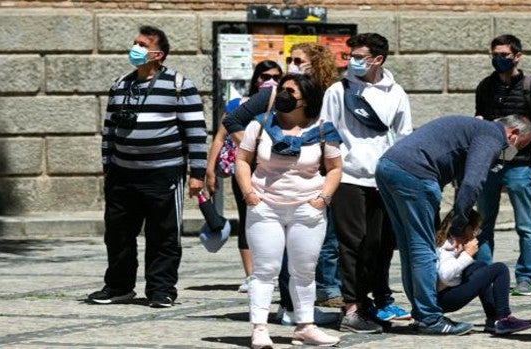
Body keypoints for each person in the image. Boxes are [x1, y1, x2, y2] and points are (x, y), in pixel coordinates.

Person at [375, 115, 531, 335]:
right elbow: (472, 182)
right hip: (415, 172)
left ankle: (423, 313)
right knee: (422, 247)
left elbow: (463, 178)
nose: (511, 153)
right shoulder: (492, 136)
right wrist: (458, 226)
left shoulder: (477, 129)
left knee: (410, 245)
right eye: (519, 146)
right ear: (513, 134)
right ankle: (429, 318)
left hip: (389, 166)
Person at [223, 42, 344, 323]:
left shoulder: (329, 95)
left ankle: (308, 311)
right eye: (290, 59)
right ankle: (286, 310)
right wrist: (257, 149)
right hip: (271, 190)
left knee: (316, 250)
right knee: (276, 258)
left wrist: (323, 190)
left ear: (317, 65)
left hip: (315, 183)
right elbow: (233, 120)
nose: (291, 64)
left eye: (299, 60)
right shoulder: (275, 96)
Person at [88, 25, 207, 308]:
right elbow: (109, 130)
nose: (135, 48)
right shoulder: (120, 84)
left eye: (142, 44)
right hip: (122, 174)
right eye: (134, 43)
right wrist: (108, 167)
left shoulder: (180, 84)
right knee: (118, 235)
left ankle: (161, 290)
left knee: (163, 235)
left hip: (163, 173)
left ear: (158, 54)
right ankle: (118, 287)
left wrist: (197, 174)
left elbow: (195, 131)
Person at [320, 32, 412, 333]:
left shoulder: (395, 92)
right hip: (347, 176)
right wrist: (332, 170)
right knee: (352, 242)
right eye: (351, 56)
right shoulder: (338, 90)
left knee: (379, 244)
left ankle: (372, 300)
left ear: (378, 59)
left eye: (359, 57)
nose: (353, 61)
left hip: (383, 179)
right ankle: (351, 307)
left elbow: (404, 135)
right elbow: (327, 132)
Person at [474, 34, 531, 296]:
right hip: (490, 161)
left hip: (519, 162)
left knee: (525, 224)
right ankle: (483, 274)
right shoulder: (485, 86)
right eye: (495, 54)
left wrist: (525, 133)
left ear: (517, 56)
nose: (499, 59)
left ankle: (526, 277)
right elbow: (479, 119)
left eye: (504, 55)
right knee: (483, 222)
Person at [205, 60, 282, 293]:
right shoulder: (240, 104)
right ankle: (251, 275)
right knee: (248, 218)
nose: (270, 81)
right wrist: (209, 170)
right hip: (245, 169)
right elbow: (220, 135)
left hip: (275, 170)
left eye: (277, 77)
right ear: (256, 79)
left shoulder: (283, 103)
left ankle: (276, 272)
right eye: (265, 76)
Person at [436, 209, 531, 335]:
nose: (476, 235)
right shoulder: (448, 245)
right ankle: (504, 318)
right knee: (500, 269)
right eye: (475, 230)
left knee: (480, 266)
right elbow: (445, 275)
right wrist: (467, 255)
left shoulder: (448, 241)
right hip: (445, 298)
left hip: (443, 295)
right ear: (466, 229)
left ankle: (493, 319)